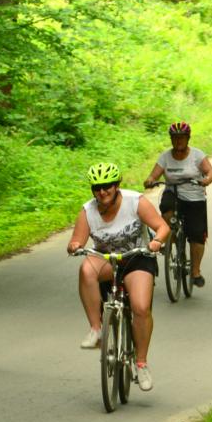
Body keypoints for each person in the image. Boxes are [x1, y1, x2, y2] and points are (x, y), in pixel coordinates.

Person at [67, 162, 171, 392]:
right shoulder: (87, 211)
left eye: (107, 186)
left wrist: (156, 241)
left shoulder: (135, 202)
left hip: (137, 257)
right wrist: (74, 245)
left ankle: (141, 364)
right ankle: (96, 329)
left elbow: (162, 227)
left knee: (140, 307)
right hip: (107, 259)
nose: (102, 192)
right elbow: (77, 241)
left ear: (117, 186)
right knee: (86, 270)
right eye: (97, 188)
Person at [143, 121, 212, 287]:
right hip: (173, 193)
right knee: (166, 209)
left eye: (181, 138)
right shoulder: (165, 157)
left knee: (197, 235)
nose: (178, 141)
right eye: (175, 138)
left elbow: (210, 172)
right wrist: (150, 180)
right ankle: (171, 239)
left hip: (194, 197)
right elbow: (153, 175)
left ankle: (195, 272)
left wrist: (206, 180)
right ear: (171, 139)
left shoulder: (197, 155)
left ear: (187, 138)